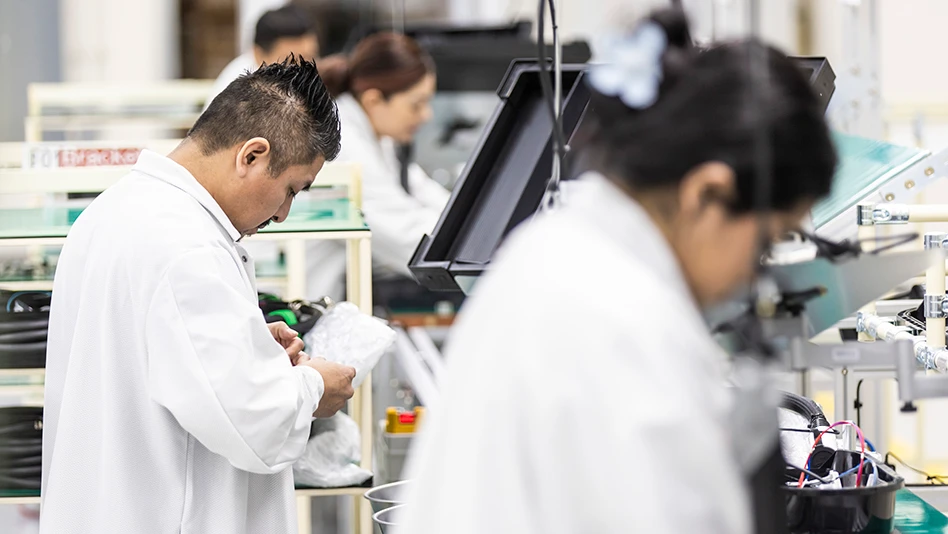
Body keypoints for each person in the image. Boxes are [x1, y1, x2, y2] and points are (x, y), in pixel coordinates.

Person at [396, 9, 837, 534]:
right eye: (765, 240)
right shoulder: (619, 317)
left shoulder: (555, 252)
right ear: (708, 194)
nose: (753, 274)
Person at [41, 56, 357, 534]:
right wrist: (316, 387)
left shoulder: (114, 210)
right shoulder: (188, 247)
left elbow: (157, 357)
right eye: (292, 188)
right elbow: (253, 421)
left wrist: (249, 342)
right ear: (251, 155)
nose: (284, 213)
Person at [307, 32, 449, 300]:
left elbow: (425, 193)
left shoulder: (376, 135)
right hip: (308, 296)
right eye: (416, 104)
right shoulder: (342, 143)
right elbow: (403, 233)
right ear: (373, 100)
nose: (426, 115)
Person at [206, 4, 319, 106]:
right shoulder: (234, 98)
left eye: (309, 57)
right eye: (290, 62)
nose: (302, 70)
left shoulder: (317, 83)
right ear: (258, 54)